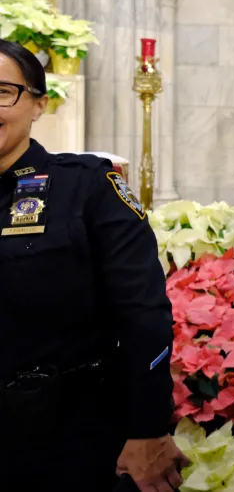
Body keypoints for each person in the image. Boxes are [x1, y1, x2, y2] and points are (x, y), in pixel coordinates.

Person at [0, 40, 188, 492]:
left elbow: (143, 315)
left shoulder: (87, 188)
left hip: (63, 437)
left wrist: (147, 430)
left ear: (39, 104)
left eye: (3, 92)